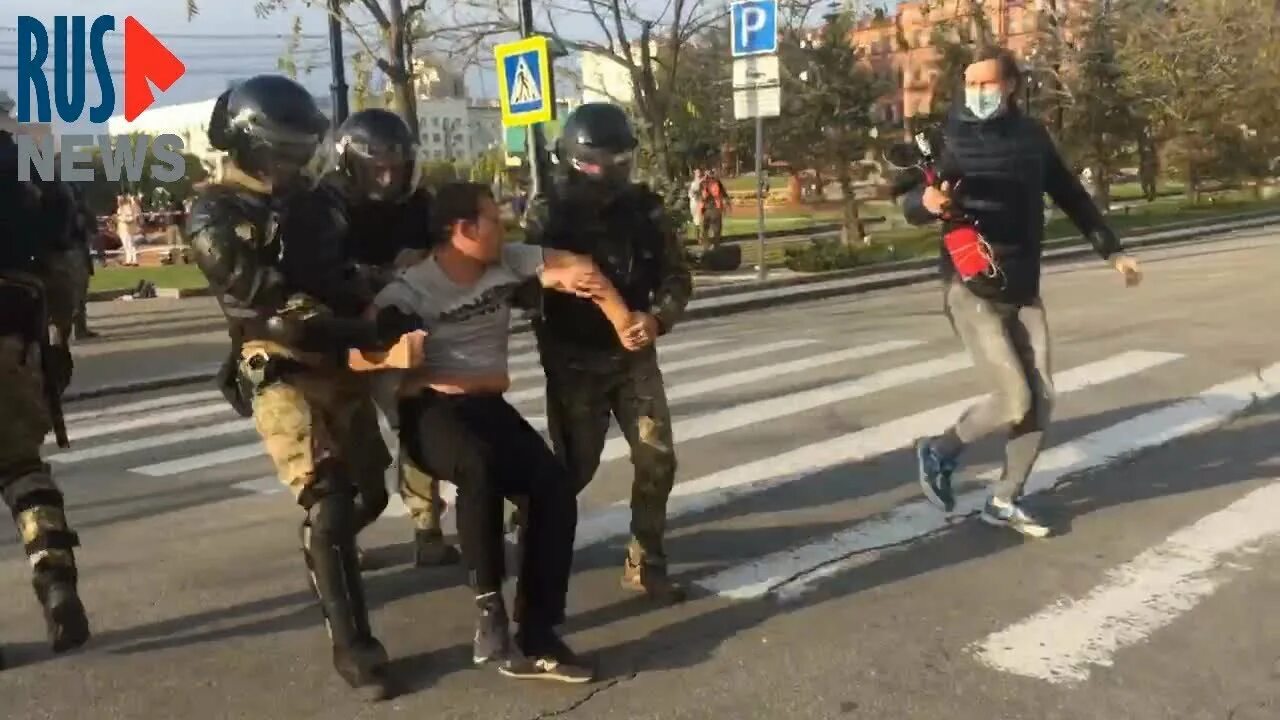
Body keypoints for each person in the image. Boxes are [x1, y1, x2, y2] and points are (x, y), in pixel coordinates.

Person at [187, 74, 410, 700]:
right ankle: (355, 648)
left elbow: (343, 268)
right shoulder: (215, 214)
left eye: (298, 148)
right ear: (245, 143)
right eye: (280, 148)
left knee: (370, 494)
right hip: (278, 361)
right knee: (332, 499)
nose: (291, 161)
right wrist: (364, 327)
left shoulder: (320, 202)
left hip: (339, 362)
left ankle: (323, 548)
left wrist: (386, 293)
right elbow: (273, 305)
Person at [375, 182, 633, 683]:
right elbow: (371, 360)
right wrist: (400, 361)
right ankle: (489, 608)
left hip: (486, 406)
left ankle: (537, 635)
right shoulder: (410, 290)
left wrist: (620, 317)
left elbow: (579, 265)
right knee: (478, 466)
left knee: (553, 488)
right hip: (428, 412)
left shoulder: (509, 261)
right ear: (464, 230)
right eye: (495, 218)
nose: (506, 225)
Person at [902, 48, 1143, 538]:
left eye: (987, 84)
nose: (977, 93)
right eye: (970, 84)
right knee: (1014, 397)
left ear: (1010, 86)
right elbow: (909, 198)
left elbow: (1071, 195)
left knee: (1042, 399)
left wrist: (1112, 252)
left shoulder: (1032, 138)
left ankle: (1005, 499)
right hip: (968, 284)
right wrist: (925, 201)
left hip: (1022, 284)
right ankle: (941, 449)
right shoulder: (947, 136)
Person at [526, 102, 694, 604]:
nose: (617, 172)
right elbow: (525, 280)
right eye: (607, 162)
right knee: (575, 468)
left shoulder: (646, 209)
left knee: (657, 458)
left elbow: (677, 276)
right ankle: (528, 531)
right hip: (574, 359)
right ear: (579, 160)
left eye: (624, 161)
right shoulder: (548, 212)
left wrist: (657, 318)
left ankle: (647, 562)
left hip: (634, 357)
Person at [319, 108, 460, 567]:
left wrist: (426, 261)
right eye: (376, 167)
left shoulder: (420, 206)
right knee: (349, 455)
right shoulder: (324, 206)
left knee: (417, 427)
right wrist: (379, 275)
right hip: (339, 342)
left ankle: (427, 528)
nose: (387, 177)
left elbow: (445, 255)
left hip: (400, 337)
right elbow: (320, 271)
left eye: (395, 167)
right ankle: (333, 538)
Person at [0, 130, 92, 671]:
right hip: (12, 333)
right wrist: (59, 328)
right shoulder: (23, 161)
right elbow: (64, 254)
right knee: (23, 471)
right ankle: (57, 583)